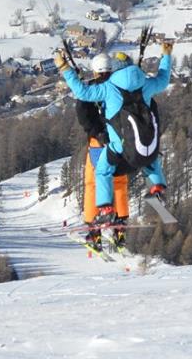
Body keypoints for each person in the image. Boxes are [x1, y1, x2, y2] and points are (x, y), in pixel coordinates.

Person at [55, 38, 172, 249]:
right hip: (137, 145)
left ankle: (99, 218)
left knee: (99, 178)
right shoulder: (143, 83)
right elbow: (163, 80)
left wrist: (65, 68)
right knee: (144, 164)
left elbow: (82, 96)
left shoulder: (105, 89)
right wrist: (166, 56)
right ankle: (154, 190)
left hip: (109, 145)